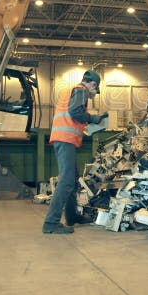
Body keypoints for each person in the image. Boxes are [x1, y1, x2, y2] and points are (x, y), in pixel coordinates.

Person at [42, 70, 107, 234]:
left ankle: (72, 217)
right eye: (95, 90)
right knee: (66, 181)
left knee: (72, 179)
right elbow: (76, 113)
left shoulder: (72, 90)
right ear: (92, 84)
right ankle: (51, 223)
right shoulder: (81, 91)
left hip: (64, 139)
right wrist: (95, 119)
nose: (94, 94)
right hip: (65, 139)